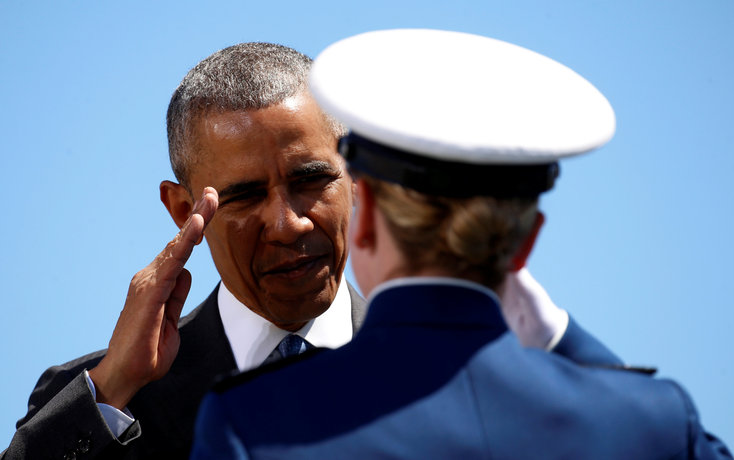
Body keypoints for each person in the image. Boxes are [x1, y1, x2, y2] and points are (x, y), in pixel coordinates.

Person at [2, 41, 609, 459]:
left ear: (359, 182)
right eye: (241, 196)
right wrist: (111, 389)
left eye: (311, 179)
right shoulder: (105, 402)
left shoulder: (465, 384)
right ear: (184, 211)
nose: (288, 224)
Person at [191, 29, 733, 459]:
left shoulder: (257, 426)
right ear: (526, 245)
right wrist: (568, 345)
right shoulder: (651, 422)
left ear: (366, 216)